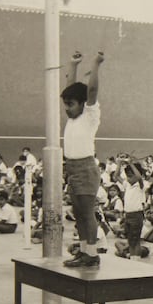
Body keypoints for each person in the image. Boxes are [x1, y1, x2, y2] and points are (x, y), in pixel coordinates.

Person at [61, 50, 105, 268]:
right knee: (78, 213)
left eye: (70, 104)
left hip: (86, 169)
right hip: (72, 169)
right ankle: (85, 251)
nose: (67, 109)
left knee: (87, 214)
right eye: (65, 104)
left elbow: (93, 89)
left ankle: (92, 254)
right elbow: (70, 84)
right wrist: (73, 64)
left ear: (83, 103)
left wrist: (95, 64)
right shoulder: (74, 118)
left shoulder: (89, 116)